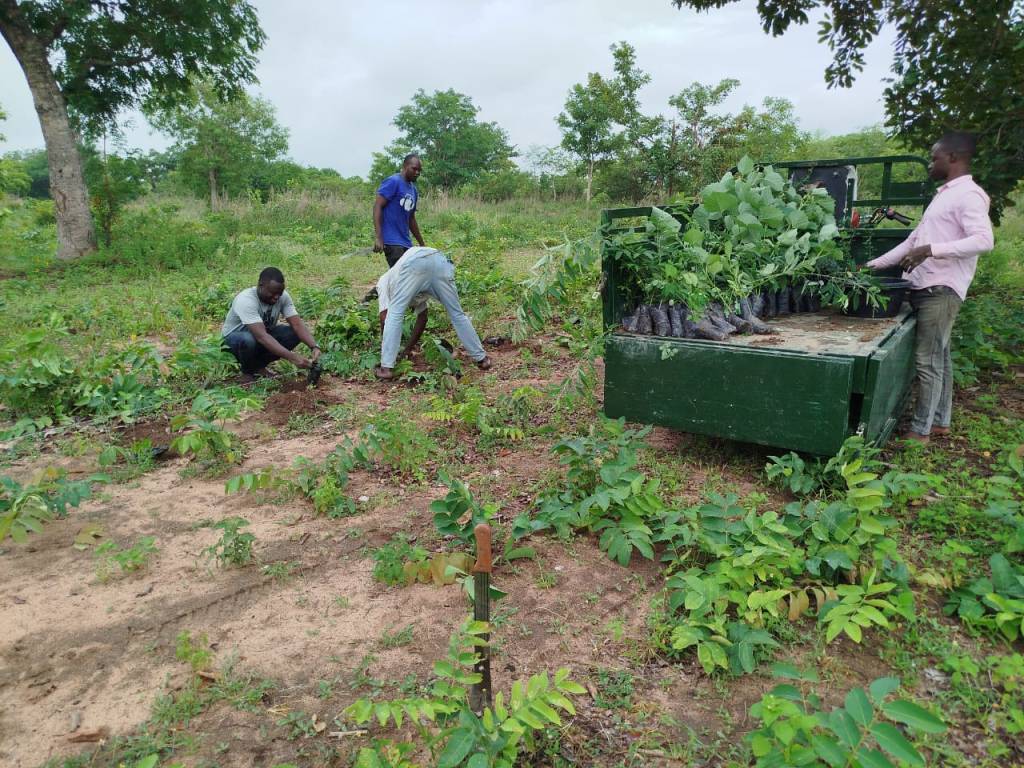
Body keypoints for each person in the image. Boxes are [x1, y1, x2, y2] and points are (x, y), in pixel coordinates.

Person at [866, 131, 994, 443]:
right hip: (925, 287)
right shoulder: (943, 196)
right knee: (940, 357)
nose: (929, 164)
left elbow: (983, 240)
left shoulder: (969, 194)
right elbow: (912, 242)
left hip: (941, 289)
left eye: (934, 158)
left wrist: (931, 250)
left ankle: (920, 432)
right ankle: (939, 421)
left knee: (928, 361)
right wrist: (870, 267)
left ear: (953, 158)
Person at [374, 247, 491, 380]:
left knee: (395, 314)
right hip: (438, 259)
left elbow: (385, 318)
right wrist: (407, 350)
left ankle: (386, 368)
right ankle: (482, 359)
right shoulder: (406, 284)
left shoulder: (383, 282)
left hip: (416, 263)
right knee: (457, 313)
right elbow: (422, 318)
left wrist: (387, 353)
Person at [222, 267, 321, 381]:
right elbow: (262, 337)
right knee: (248, 339)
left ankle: (258, 366)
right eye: (272, 293)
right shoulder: (246, 300)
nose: (276, 297)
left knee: (293, 334)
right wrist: (293, 358)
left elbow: (297, 324)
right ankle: (247, 372)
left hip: (260, 338)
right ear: (261, 285)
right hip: (233, 343)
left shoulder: (283, 297)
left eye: (280, 293)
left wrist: (314, 346)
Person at [373, 153, 425, 267]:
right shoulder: (393, 181)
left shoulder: (413, 191)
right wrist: (379, 237)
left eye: (419, 170)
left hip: (406, 242)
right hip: (392, 241)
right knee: (403, 274)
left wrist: (422, 244)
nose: (417, 172)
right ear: (405, 166)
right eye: (414, 169)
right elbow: (377, 206)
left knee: (408, 273)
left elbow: (411, 219)